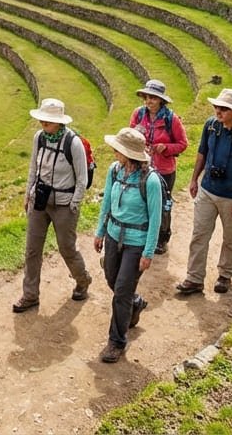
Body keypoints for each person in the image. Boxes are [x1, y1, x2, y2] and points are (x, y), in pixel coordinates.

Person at [176, 88, 232, 296]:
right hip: (207, 190)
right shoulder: (211, 126)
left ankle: (225, 275)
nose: (218, 111)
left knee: (231, 238)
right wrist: (194, 179)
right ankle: (194, 278)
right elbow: (201, 153)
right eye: (217, 107)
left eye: (224, 108)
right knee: (199, 234)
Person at [12, 98, 92, 313]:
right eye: (42, 120)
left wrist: (74, 203)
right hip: (40, 200)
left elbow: (82, 178)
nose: (43, 125)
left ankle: (83, 280)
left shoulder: (73, 143)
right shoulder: (39, 138)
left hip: (65, 204)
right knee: (32, 249)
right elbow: (33, 168)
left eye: (48, 121)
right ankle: (30, 295)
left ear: (59, 122)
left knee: (67, 248)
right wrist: (28, 193)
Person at [94, 127, 162, 363]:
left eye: (118, 149)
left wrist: (148, 252)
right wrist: (100, 232)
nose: (114, 152)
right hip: (114, 236)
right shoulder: (115, 171)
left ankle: (117, 342)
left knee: (121, 290)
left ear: (129, 154)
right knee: (112, 280)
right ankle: (134, 303)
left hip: (136, 243)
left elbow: (155, 219)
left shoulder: (150, 181)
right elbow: (107, 204)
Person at [130, 78, 188, 254]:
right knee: (141, 202)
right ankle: (143, 235)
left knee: (163, 205)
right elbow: (130, 136)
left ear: (161, 100)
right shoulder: (138, 115)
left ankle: (162, 238)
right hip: (142, 167)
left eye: (153, 98)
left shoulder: (172, 120)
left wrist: (166, 148)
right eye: (147, 97)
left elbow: (183, 144)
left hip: (164, 170)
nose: (149, 101)